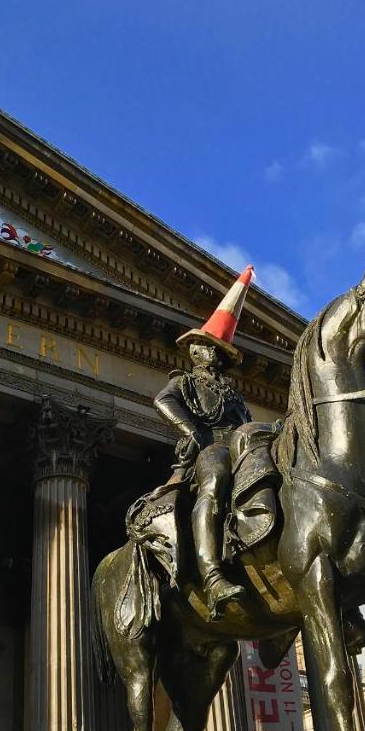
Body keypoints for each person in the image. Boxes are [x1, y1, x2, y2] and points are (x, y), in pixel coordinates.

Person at [155, 265, 256, 619]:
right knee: (213, 485)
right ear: (194, 351)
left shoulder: (233, 393)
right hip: (211, 449)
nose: (212, 352)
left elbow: (246, 424)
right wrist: (192, 432)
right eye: (207, 346)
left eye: (217, 348)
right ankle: (211, 575)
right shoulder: (185, 382)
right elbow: (162, 402)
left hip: (241, 447)